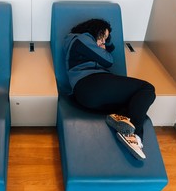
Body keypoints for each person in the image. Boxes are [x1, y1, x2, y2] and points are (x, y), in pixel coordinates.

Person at [64, 18, 156, 160]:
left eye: (105, 39)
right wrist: (101, 45)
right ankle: (134, 135)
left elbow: (110, 49)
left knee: (134, 102)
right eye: (102, 37)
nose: (103, 43)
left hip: (91, 99)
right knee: (147, 89)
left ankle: (120, 118)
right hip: (91, 84)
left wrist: (104, 41)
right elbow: (108, 60)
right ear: (94, 31)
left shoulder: (84, 44)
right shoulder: (80, 38)